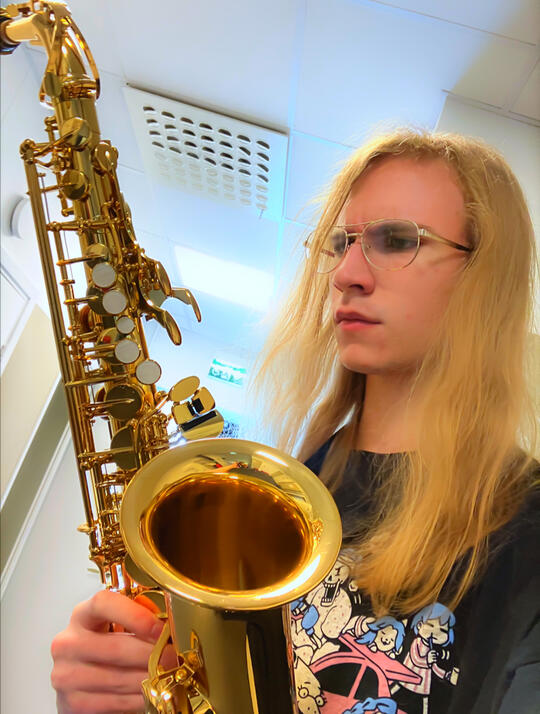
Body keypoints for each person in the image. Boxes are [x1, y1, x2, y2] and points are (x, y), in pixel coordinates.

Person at [50, 130, 539, 714]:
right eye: (340, 242)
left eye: (397, 239)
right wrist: (112, 691)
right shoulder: (284, 495)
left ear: (487, 275)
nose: (346, 273)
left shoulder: (527, 528)